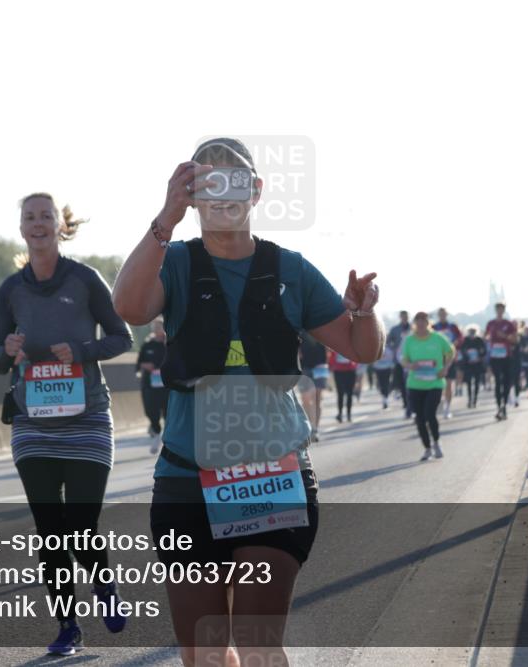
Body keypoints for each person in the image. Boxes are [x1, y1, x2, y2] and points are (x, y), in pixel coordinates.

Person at [111, 137, 384, 667]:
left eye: (233, 181)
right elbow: (129, 307)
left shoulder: (291, 269)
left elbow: (361, 350)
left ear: (256, 191)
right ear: (192, 194)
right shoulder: (176, 262)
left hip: (271, 474)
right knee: (205, 655)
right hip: (187, 478)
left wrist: (362, 312)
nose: (222, 196)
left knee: (259, 648)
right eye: (206, 184)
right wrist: (165, 217)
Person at [0, 193, 133, 656]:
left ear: (59, 225)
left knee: (82, 522)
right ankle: (68, 627)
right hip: (33, 421)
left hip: (88, 416)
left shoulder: (85, 278)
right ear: (21, 228)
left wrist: (82, 350)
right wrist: (7, 351)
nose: (37, 224)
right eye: (29, 217)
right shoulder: (11, 288)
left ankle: (104, 587)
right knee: (51, 528)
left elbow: (121, 337)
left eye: (45, 216)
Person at [400, 312, 454, 460]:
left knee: (430, 414)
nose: (421, 323)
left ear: (428, 322)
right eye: (418, 320)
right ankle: (427, 448)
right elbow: (403, 360)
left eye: (424, 320)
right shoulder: (410, 340)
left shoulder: (438, 338)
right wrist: (411, 365)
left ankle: (436, 442)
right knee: (420, 418)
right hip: (415, 384)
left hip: (434, 383)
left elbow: (450, 352)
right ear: (415, 323)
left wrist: (445, 368)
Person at [136, 317, 169, 453]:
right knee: (150, 411)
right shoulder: (147, 345)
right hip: (150, 384)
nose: (156, 330)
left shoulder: (170, 344)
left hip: (167, 385)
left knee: (169, 413)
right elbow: (138, 364)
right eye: (154, 327)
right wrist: (145, 365)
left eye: (158, 327)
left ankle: (168, 440)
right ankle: (156, 431)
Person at [484, 302, 518, 420]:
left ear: (503, 310)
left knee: (506, 382)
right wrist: (488, 338)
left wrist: (504, 336)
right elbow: (486, 336)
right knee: (498, 381)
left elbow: (515, 340)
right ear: (495, 310)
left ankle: (505, 402)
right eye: (497, 309)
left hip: (506, 356)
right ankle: (500, 407)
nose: (499, 311)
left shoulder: (508, 324)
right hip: (494, 356)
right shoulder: (491, 323)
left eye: (501, 309)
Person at [432, 308, 463, 419]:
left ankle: (447, 408)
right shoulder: (434, 327)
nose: (442, 316)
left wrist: (455, 343)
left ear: (446, 315)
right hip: (437, 360)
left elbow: (460, 338)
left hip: (450, 359)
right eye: (440, 314)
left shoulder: (453, 327)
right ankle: (438, 403)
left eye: (444, 314)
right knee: (438, 384)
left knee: (449, 384)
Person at [297, 333, 329, 441]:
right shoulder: (298, 324)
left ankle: (315, 429)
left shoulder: (320, 321)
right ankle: (309, 426)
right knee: (306, 399)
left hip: (320, 365)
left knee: (317, 398)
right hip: (304, 366)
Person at [387, 311, 411, 417]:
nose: (404, 318)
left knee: (411, 384)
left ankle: (411, 405)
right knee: (402, 384)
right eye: (403, 316)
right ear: (400, 317)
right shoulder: (395, 329)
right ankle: (406, 404)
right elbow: (388, 341)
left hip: (413, 361)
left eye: (406, 316)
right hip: (399, 360)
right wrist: (394, 349)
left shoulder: (414, 328)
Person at [459, 326, 487, 408]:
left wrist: (480, 356)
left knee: (477, 382)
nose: (472, 333)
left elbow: (484, 351)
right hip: (468, 365)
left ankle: (475, 400)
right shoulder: (465, 340)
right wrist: (467, 356)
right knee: (468, 383)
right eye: (470, 331)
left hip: (478, 364)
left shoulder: (479, 340)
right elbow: (462, 350)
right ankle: (469, 399)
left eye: (473, 331)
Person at [329, 347, 359, 423]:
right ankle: (340, 414)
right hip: (339, 371)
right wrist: (331, 366)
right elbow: (332, 356)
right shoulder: (335, 344)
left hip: (350, 371)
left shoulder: (352, 344)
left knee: (349, 393)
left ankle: (348, 414)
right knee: (340, 393)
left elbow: (357, 356)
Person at [372, 336, 395, 409]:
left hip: (387, 368)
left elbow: (392, 358)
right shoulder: (375, 349)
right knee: (381, 384)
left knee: (386, 383)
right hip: (378, 368)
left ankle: (385, 398)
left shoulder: (389, 349)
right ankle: (384, 397)